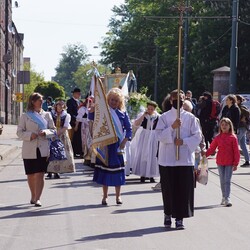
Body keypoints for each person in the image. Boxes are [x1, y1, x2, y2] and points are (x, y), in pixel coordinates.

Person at [155, 89, 202, 230]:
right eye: (176, 98)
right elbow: (158, 135)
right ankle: (168, 214)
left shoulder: (190, 118)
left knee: (183, 190)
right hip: (168, 159)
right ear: (171, 100)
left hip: (184, 159)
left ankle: (180, 218)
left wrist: (184, 141)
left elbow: (197, 135)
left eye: (181, 98)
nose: (178, 101)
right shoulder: (164, 117)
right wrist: (172, 128)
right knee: (169, 189)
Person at [89, 88, 132, 205]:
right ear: (108, 100)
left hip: (118, 146)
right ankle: (105, 196)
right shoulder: (104, 113)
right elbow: (93, 119)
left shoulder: (123, 114)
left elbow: (129, 129)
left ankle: (118, 196)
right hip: (106, 145)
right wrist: (92, 111)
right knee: (106, 172)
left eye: (116, 100)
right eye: (112, 100)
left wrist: (124, 141)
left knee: (118, 172)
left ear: (120, 102)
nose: (113, 102)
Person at [17, 93, 56, 207]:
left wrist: (46, 133)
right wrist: (30, 135)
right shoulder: (25, 116)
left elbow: (53, 130)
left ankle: (38, 198)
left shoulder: (47, 115)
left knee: (40, 174)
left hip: (43, 148)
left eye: (42, 100)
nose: (41, 102)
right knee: (31, 174)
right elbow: (19, 132)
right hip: (29, 148)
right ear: (33, 101)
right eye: (39, 100)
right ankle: (33, 196)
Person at [206, 118, 240, 207]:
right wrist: (204, 155)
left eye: (226, 125)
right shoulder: (218, 137)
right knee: (222, 180)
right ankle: (224, 197)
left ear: (230, 126)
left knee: (227, 180)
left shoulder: (233, 137)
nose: (224, 126)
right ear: (220, 127)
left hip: (229, 162)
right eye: (222, 125)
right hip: (220, 162)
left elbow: (236, 151)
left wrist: (236, 163)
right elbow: (212, 148)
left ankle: (227, 198)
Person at [131, 101, 160, 183]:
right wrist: (143, 115)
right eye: (149, 108)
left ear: (154, 109)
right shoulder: (143, 116)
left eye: (152, 109)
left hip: (153, 136)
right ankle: (142, 174)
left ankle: (151, 175)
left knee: (152, 155)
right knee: (143, 154)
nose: (150, 110)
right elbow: (136, 124)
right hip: (145, 136)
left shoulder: (157, 117)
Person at [47, 100, 75, 178]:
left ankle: (57, 171)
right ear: (55, 106)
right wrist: (53, 133)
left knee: (60, 153)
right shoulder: (51, 114)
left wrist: (58, 133)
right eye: (58, 105)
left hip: (62, 135)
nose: (60, 107)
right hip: (52, 134)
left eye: (62, 105)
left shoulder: (66, 115)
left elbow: (65, 127)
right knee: (51, 152)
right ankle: (49, 170)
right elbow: (48, 124)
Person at [75, 96, 92, 164]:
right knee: (84, 140)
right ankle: (85, 155)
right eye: (89, 102)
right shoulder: (83, 109)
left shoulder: (91, 109)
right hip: (84, 126)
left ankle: (89, 156)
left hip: (90, 126)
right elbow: (78, 118)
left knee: (90, 140)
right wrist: (76, 126)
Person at [66, 87, 83, 157]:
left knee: (78, 137)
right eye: (78, 94)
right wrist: (75, 119)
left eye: (79, 94)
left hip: (79, 122)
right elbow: (69, 112)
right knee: (72, 137)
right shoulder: (70, 101)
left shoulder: (79, 102)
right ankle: (72, 151)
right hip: (73, 122)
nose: (79, 95)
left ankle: (78, 151)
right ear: (74, 94)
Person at [236, 95, 250, 167]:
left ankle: (233, 160)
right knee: (242, 144)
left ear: (238, 100)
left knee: (235, 143)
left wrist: (243, 118)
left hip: (241, 127)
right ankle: (247, 160)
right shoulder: (240, 107)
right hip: (242, 127)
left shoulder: (240, 107)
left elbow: (247, 113)